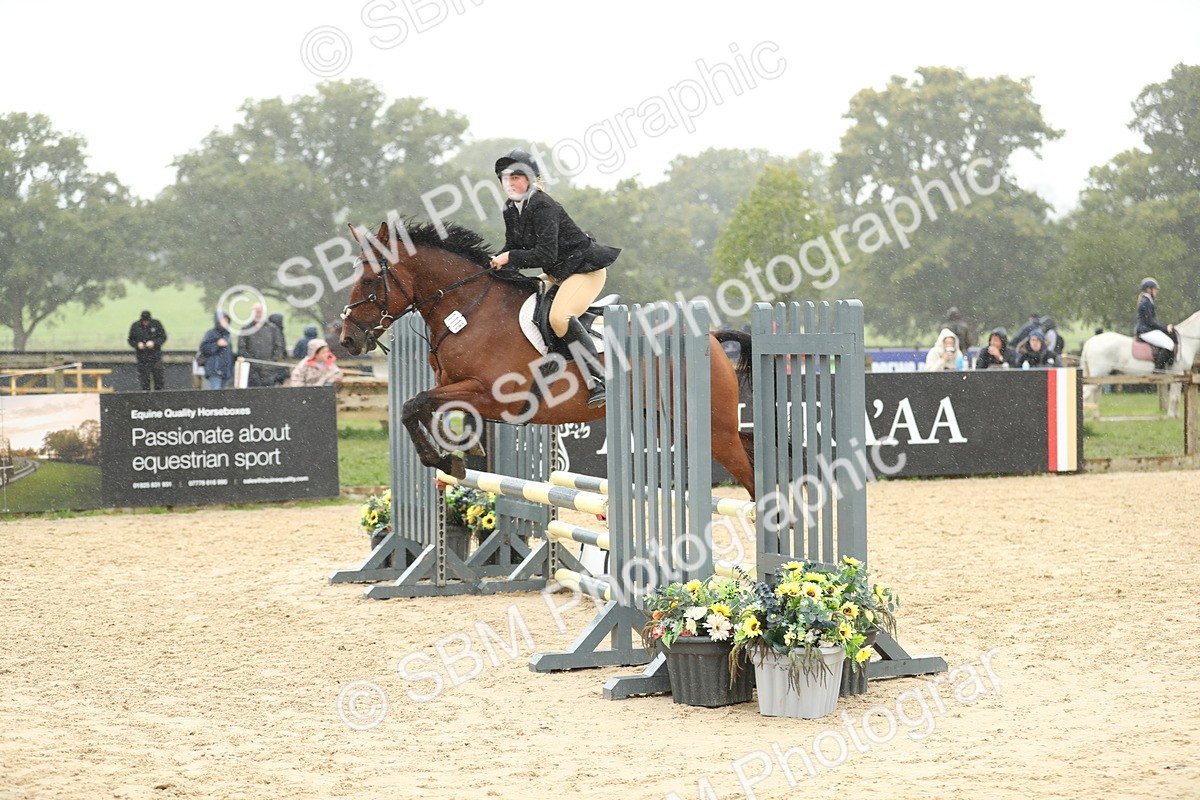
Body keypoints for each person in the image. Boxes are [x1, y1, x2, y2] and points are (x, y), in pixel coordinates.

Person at [487, 148, 621, 408]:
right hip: (559, 273)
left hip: (585, 270)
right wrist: (494, 261)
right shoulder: (511, 209)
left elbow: (545, 253)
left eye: (516, 177)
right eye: (506, 178)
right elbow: (512, 245)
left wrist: (510, 257)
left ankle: (598, 379)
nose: (510, 183)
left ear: (530, 178)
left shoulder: (543, 205)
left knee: (559, 317)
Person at [238, 303, 287, 387]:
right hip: (252, 371)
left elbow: (279, 346)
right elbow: (242, 348)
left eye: (260, 312)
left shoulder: (273, 329)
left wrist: (273, 360)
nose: (258, 314)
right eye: (256, 312)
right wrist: (252, 362)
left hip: (270, 370)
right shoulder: (246, 329)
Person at [1134, 277, 1176, 371]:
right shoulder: (1146, 302)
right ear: (1149, 290)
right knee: (1169, 344)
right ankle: (1158, 371)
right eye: (1155, 289)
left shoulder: (1147, 300)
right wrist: (1165, 327)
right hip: (1145, 331)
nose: (1156, 292)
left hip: (1146, 329)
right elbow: (1150, 322)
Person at [127, 310, 167, 390]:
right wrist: (137, 344)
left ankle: (159, 396)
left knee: (158, 378)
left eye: (147, 321)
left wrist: (154, 343)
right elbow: (130, 339)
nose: (146, 323)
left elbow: (163, 337)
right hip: (142, 357)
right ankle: (146, 398)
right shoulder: (135, 326)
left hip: (155, 356)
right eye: (144, 321)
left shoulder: (156, 324)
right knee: (144, 379)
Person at [198, 311, 235, 390]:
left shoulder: (227, 335)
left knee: (223, 396)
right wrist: (217, 344)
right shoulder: (211, 333)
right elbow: (204, 348)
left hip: (226, 372)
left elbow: (229, 353)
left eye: (226, 321)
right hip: (214, 371)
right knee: (215, 395)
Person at [267, 312, 289, 385]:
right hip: (276, 362)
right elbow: (280, 348)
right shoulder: (277, 332)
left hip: (275, 362)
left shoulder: (271, 331)